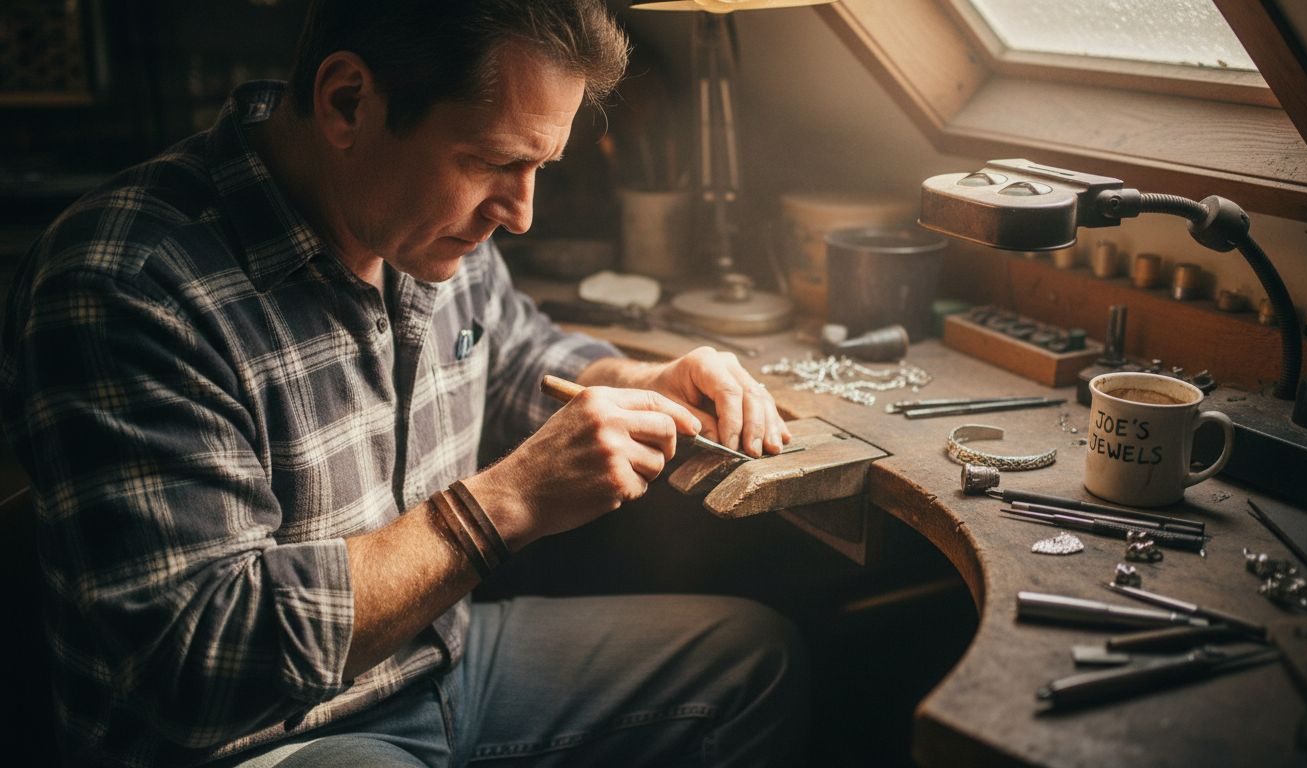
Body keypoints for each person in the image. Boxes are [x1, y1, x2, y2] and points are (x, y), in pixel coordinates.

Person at [0, 1, 809, 766]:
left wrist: (642, 381)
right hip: (261, 738)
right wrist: (507, 503)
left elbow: (512, 353)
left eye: (538, 166)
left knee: (753, 663)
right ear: (347, 102)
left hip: (439, 661)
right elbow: (196, 657)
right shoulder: (126, 285)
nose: (521, 213)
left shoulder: (420, 220)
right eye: (495, 162)